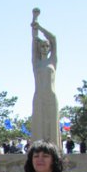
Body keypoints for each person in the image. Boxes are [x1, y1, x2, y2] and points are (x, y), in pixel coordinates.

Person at [30, 8, 60, 149]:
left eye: (46, 46)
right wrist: (34, 19)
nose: (44, 47)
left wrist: (40, 26)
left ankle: (56, 156)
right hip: (39, 96)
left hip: (51, 96)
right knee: (39, 129)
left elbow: (53, 38)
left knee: (52, 129)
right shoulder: (36, 63)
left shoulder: (52, 61)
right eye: (42, 45)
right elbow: (34, 38)